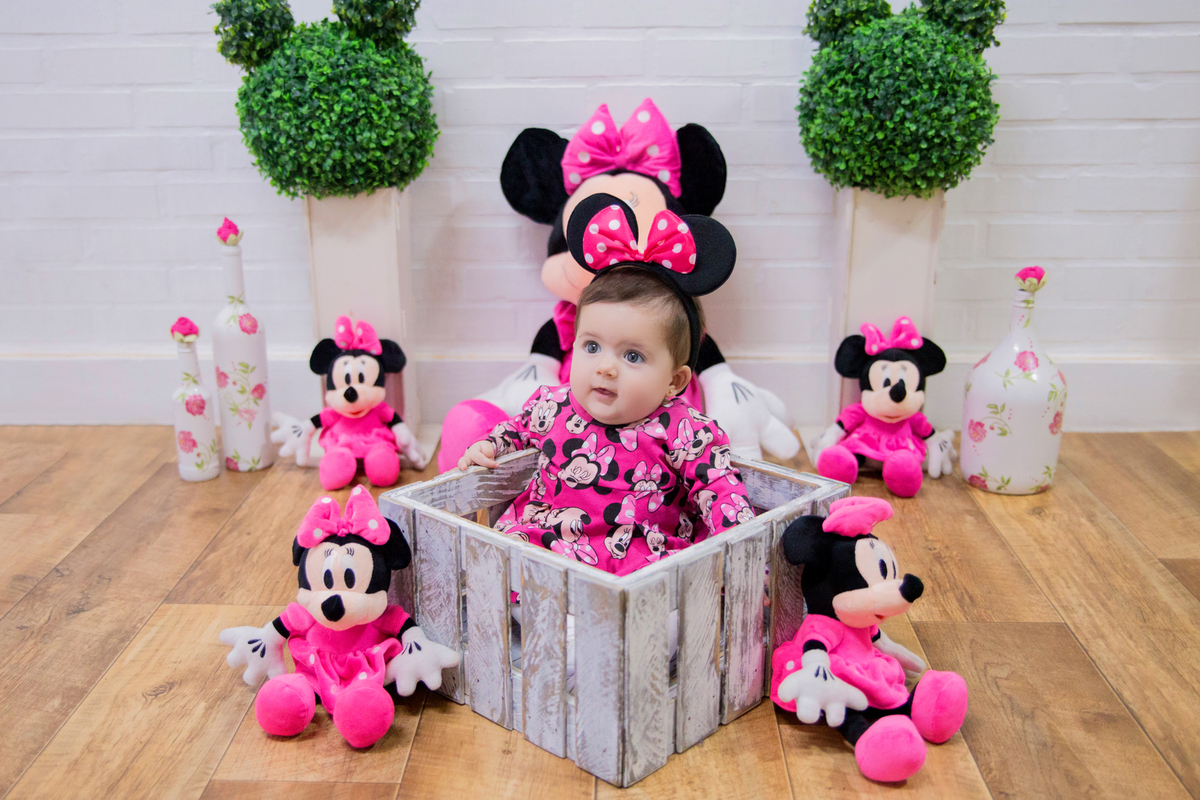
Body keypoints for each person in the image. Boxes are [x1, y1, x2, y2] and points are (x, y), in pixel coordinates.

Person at [458, 194, 754, 575]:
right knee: (497, 563)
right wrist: (490, 445)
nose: (606, 368)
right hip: (545, 548)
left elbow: (721, 491)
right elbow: (517, 429)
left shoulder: (683, 430)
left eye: (632, 356)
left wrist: (742, 560)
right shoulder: (554, 406)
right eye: (592, 347)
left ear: (674, 381)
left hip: (638, 564)